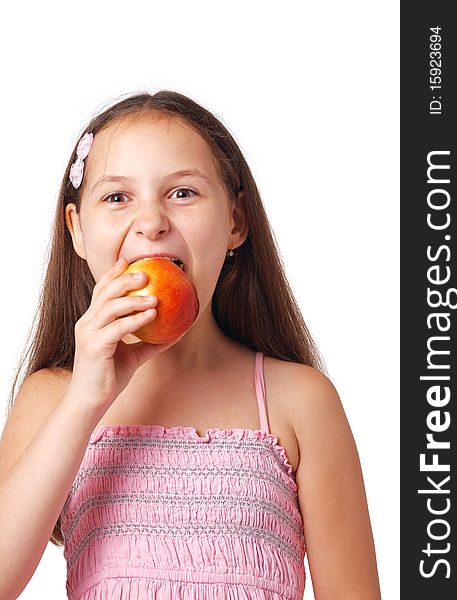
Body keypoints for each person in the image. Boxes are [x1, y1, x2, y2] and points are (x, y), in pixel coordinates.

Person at [0, 90, 381, 599]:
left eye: (182, 192)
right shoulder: (52, 398)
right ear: (77, 231)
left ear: (236, 222)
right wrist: (87, 397)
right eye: (117, 197)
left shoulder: (300, 401)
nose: (151, 221)